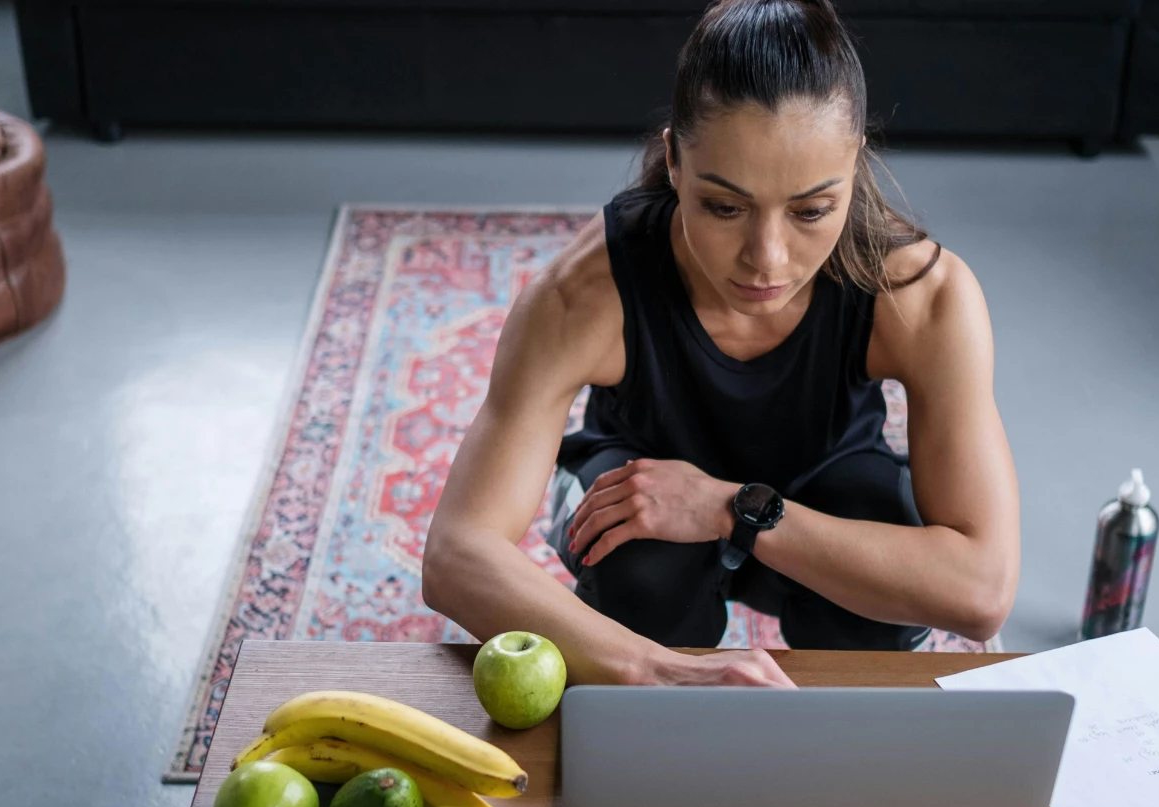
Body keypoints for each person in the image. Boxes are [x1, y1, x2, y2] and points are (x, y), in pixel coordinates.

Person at [423, 0, 1020, 689]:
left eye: (811, 210)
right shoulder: (583, 296)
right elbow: (456, 554)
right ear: (675, 161)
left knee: (882, 565)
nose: (766, 259)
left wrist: (726, 506)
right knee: (640, 573)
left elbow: (981, 592)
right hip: (644, 496)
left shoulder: (924, 295)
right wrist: (660, 672)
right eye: (725, 208)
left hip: (820, 492)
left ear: (853, 164)